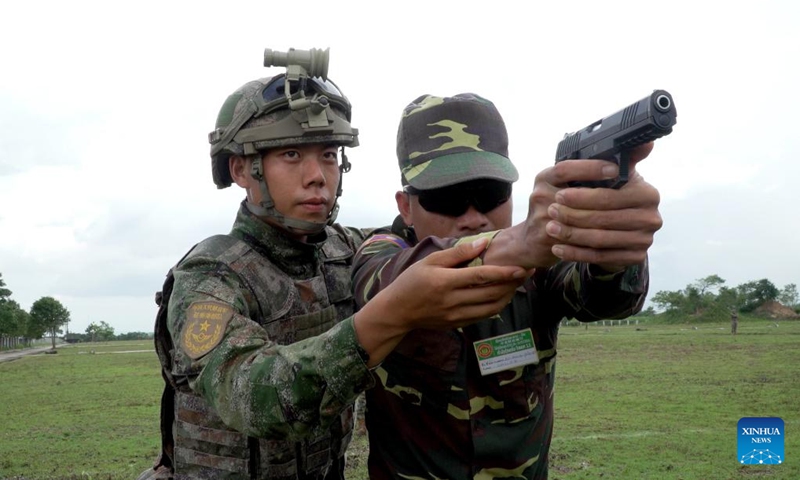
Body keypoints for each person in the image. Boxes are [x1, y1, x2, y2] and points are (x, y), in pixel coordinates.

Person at [137, 56, 527, 480]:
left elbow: (432, 236)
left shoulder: (347, 250)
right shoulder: (210, 277)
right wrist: (391, 314)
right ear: (241, 169)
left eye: (327, 155)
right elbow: (255, 397)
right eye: (291, 155)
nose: (317, 177)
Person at [352, 93, 664, 479]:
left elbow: (604, 299)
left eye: (490, 194)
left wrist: (612, 248)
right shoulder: (382, 251)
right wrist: (520, 244)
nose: (472, 218)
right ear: (405, 206)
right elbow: (388, 283)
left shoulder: (542, 259)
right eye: (445, 199)